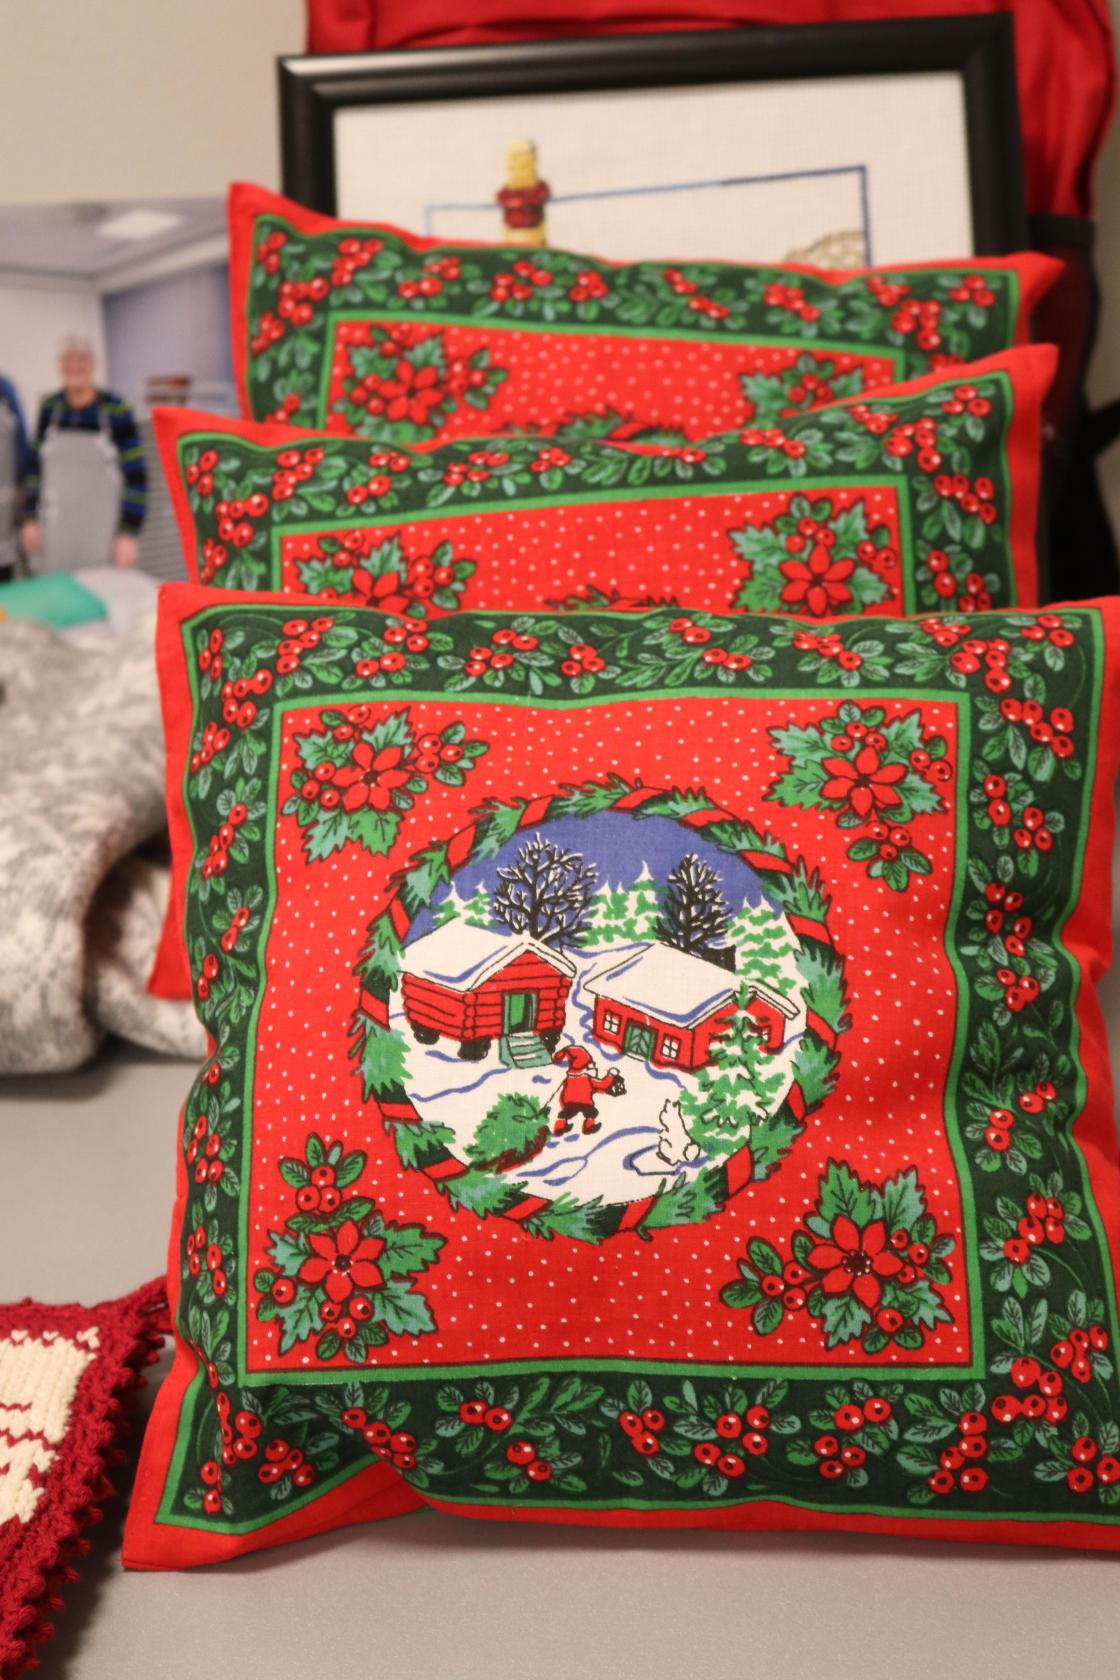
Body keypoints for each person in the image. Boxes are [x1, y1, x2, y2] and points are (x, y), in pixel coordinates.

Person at [20, 336, 147, 572]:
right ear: (60, 366)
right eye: (68, 360)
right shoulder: (50, 407)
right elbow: (34, 468)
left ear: (93, 364)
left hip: (103, 536)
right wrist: (30, 518)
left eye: (82, 359)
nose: (75, 366)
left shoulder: (116, 408)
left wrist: (129, 534)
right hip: (55, 534)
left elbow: (137, 477)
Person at [551, 1044, 624, 1137]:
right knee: (591, 1113)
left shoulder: (570, 1078)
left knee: (566, 1113)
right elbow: (603, 1084)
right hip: (585, 1103)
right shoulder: (587, 1079)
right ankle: (588, 1127)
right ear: (585, 1067)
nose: (594, 1066)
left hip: (568, 1102)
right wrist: (610, 1075)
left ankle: (559, 1127)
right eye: (591, 1064)